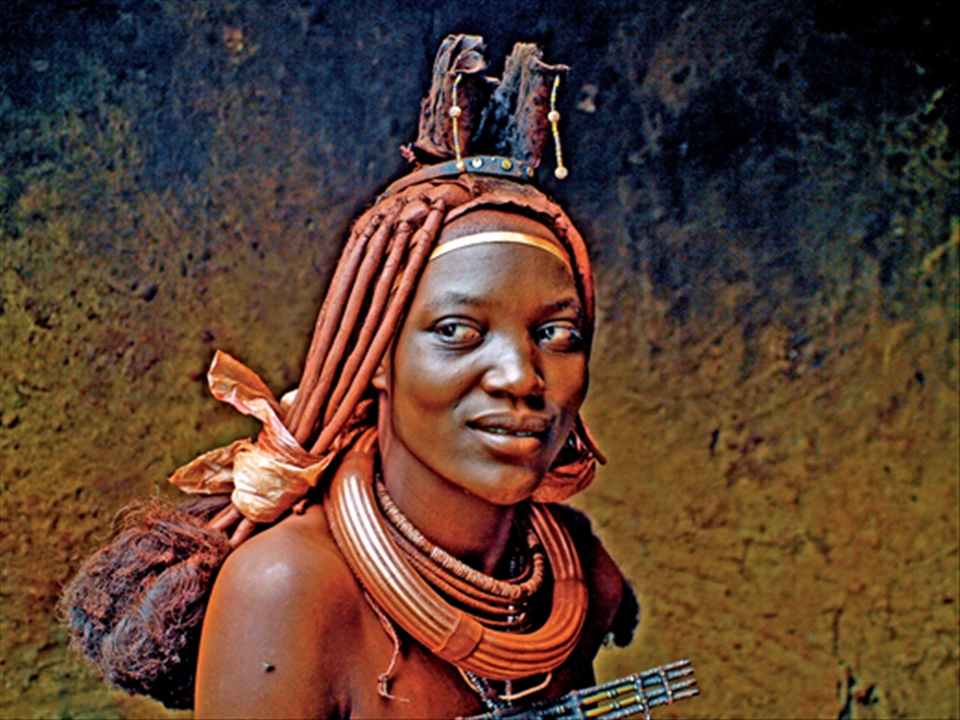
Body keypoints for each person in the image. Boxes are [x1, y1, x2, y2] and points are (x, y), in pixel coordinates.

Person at [60, 35, 640, 718]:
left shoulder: (578, 581)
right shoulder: (288, 593)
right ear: (379, 358)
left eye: (556, 335)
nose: (520, 376)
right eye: (457, 331)